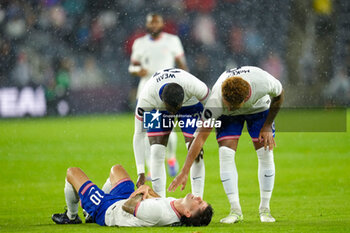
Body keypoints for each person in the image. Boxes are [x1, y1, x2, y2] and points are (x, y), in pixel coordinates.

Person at [169, 66, 284, 223]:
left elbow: (279, 95)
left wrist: (268, 125)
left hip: (259, 109)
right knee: (225, 153)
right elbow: (200, 139)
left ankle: (265, 209)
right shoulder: (217, 102)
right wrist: (184, 171)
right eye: (226, 102)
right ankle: (235, 210)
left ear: (245, 100)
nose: (228, 106)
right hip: (228, 117)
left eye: (231, 105)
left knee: (265, 152)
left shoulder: (263, 82)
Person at [52, 164, 213, 227]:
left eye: (200, 204)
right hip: (127, 199)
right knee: (117, 169)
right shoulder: (177, 207)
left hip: (110, 210)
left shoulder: (157, 212)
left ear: (188, 213)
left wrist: (142, 191)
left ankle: (72, 216)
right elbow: (158, 199)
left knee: (72, 172)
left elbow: (127, 206)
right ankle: (89, 211)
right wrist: (146, 191)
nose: (199, 198)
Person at [133, 68, 210, 198]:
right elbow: (138, 135)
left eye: (176, 109)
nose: (173, 114)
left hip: (189, 107)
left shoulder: (194, 86)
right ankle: (160, 202)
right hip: (158, 110)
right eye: (171, 110)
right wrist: (140, 171)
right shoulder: (147, 98)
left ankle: (198, 200)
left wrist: (199, 138)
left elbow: (213, 108)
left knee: (196, 152)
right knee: (156, 150)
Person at [129, 13, 188, 178]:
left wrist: (183, 85)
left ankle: (171, 158)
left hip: (168, 91)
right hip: (146, 92)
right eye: (151, 23)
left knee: (169, 129)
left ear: (162, 24)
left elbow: (182, 65)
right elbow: (132, 67)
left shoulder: (172, 40)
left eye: (157, 23)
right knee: (149, 132)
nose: (154, 25)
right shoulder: (140, 43)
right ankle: (150, 168)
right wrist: (137, 71)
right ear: (147, 25)